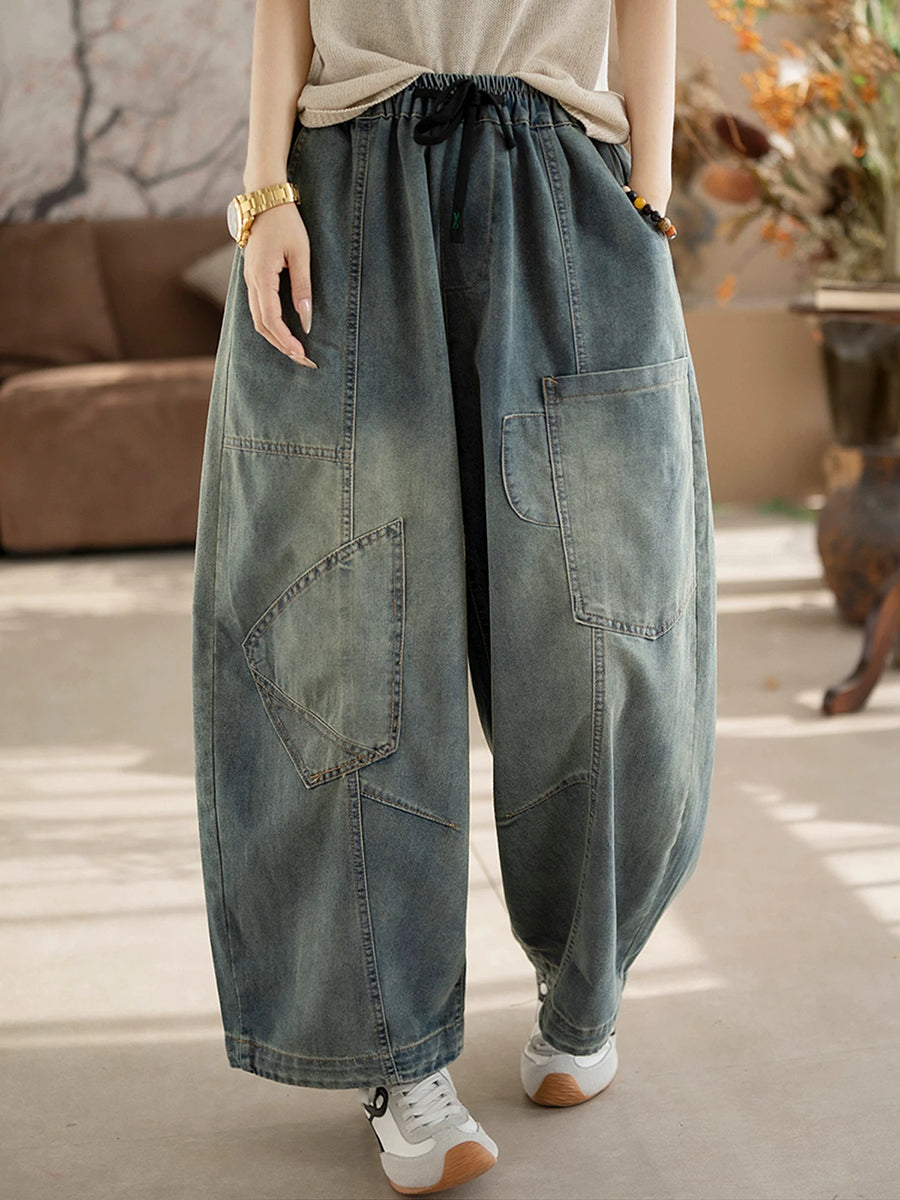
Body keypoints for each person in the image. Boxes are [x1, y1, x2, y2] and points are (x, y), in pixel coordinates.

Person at [191, 0, 717, 1193]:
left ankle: (585, 986)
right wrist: (263, 194)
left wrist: (649, 186)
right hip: (349, 186)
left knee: (603, 614)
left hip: (567, 178)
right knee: (347, 628)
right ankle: (397, 1049)